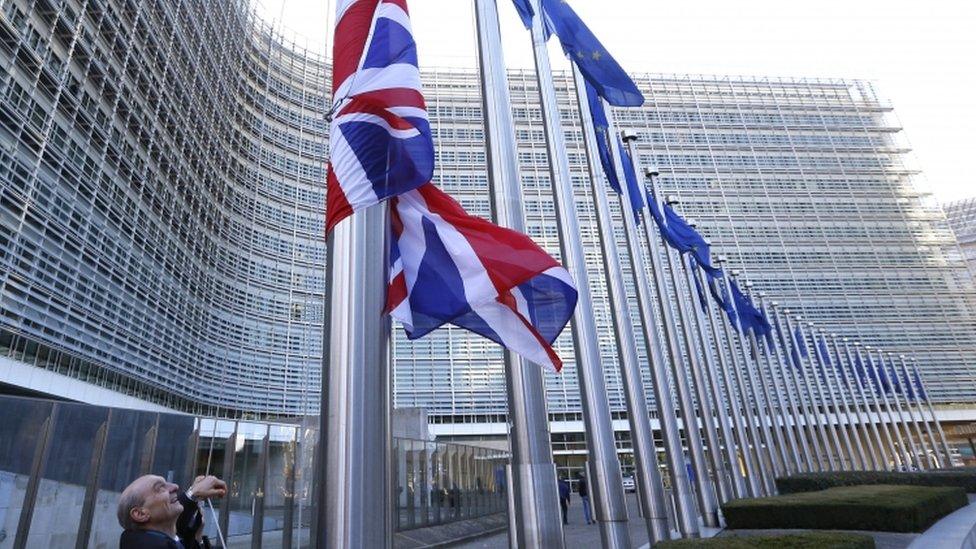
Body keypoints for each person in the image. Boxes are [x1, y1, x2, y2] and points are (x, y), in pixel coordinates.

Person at [117, 474, 227, 548]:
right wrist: (193, 493)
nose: (175, 486)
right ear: (140, 514)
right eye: (160, 488)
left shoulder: (154, 537)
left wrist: (197, 538)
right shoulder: (153, 545)